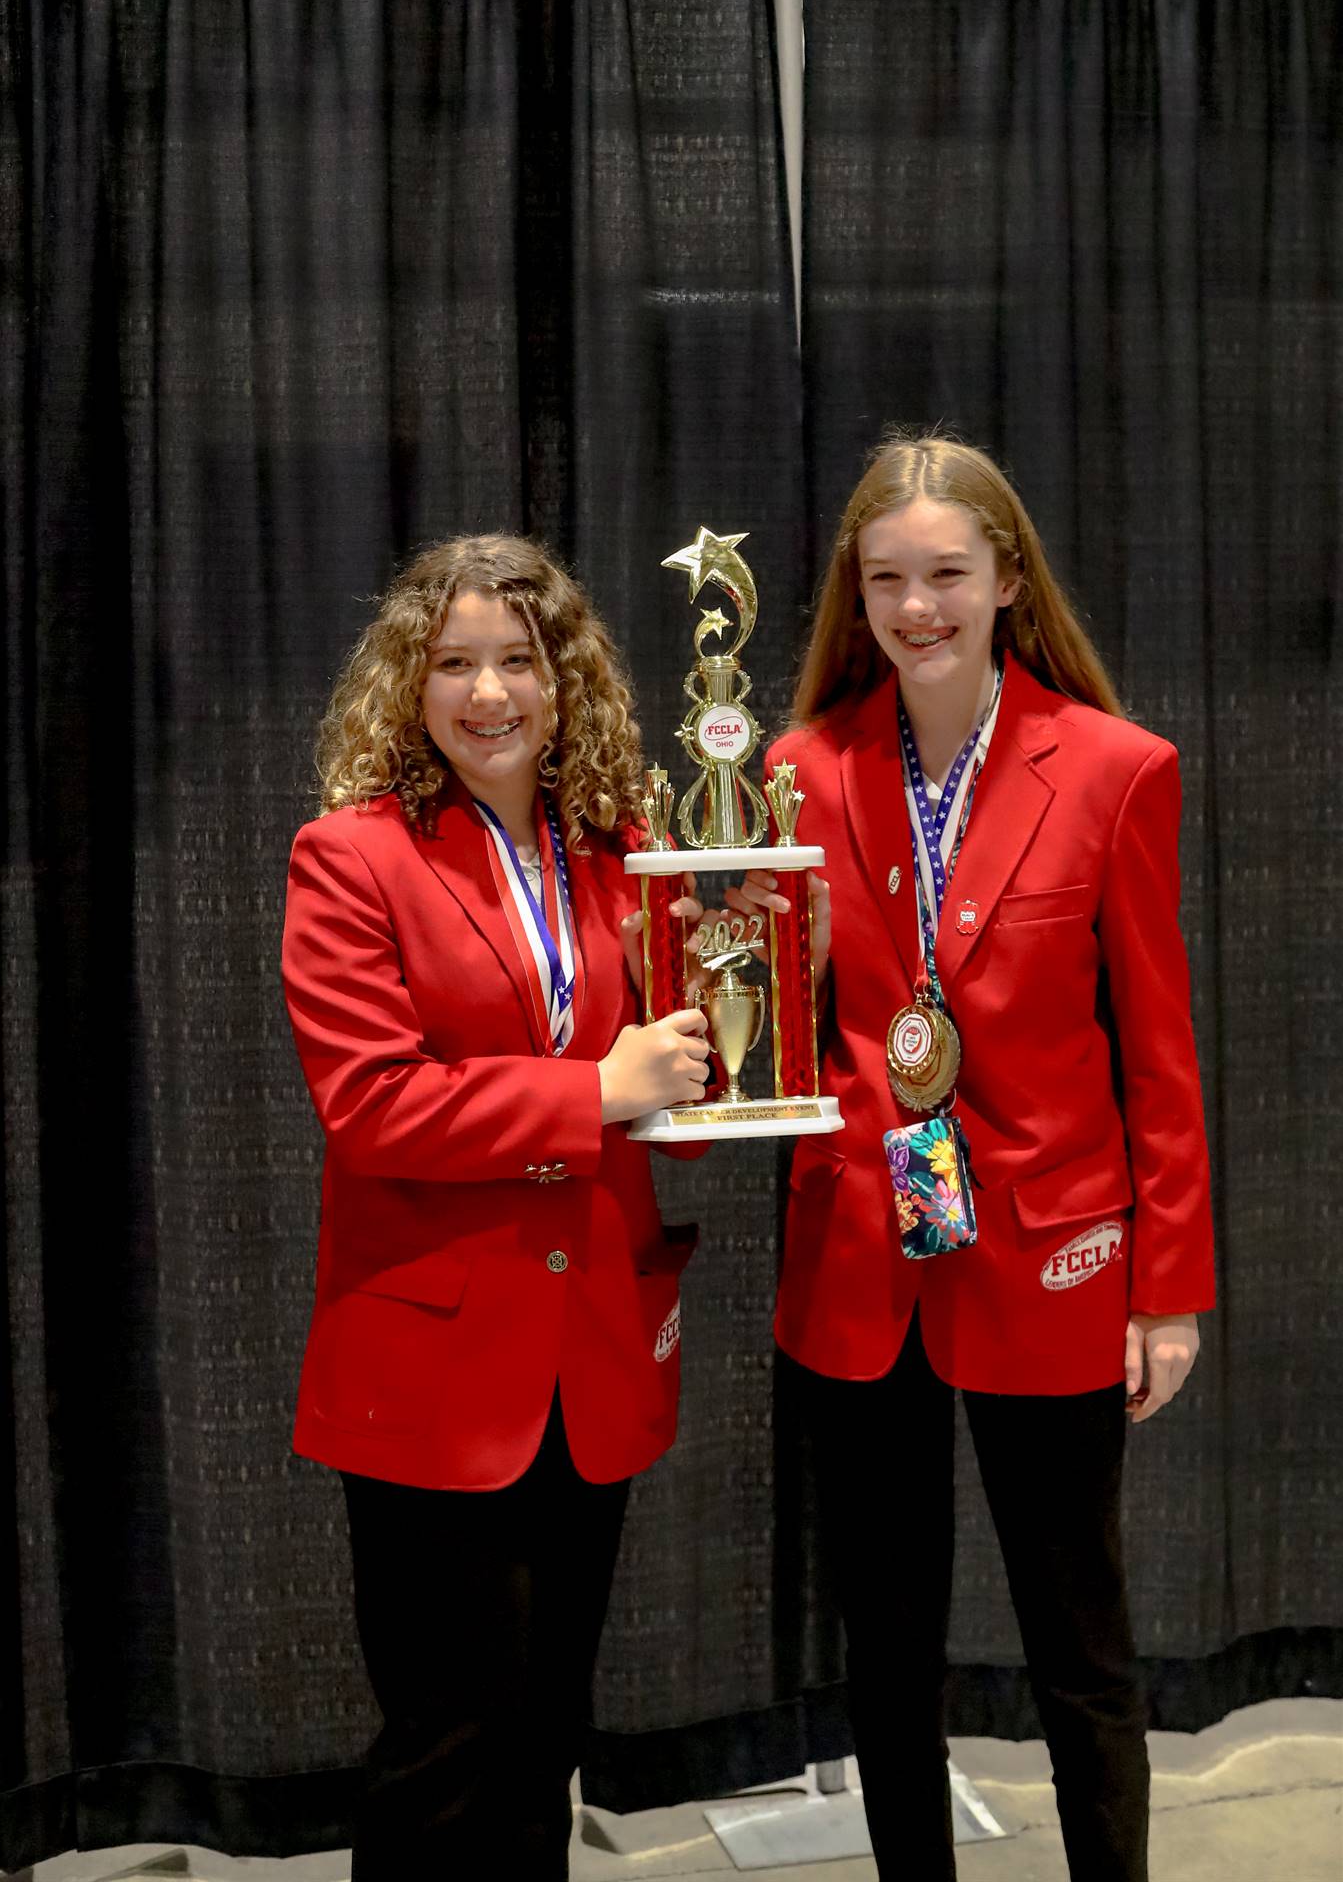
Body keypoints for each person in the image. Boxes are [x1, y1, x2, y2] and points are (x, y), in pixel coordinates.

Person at [724, 435, 1215, 1882]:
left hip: (1055, 1250)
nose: (917, 604)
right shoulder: (798, 771)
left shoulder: (1119, 770)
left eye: (947, 573)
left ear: (1008, 579)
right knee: (885, 1644)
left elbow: (1160, 1058)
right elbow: (781, 1018)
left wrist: (1166, 1289)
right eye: (887, 578)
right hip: (861, 1257)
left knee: (1080, 1645)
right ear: (852, 594)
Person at [281, 534, 711, 1880]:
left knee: (544, 1743)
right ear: (408, 686)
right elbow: (374, 1106)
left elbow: (678, 1096)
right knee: (445, 1753)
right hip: (432, 1371)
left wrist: (723, 1023)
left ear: (562, 677)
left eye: (517, 660)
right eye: (454, 662)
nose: (488, 692)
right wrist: (594, 1092)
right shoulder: (349, 857)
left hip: (588, 1357)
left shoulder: (621, 851)